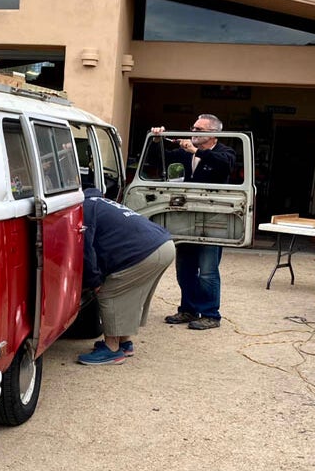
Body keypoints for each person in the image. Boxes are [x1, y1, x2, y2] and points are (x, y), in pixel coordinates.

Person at [149, 114, 236, 330]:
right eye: (193, 128)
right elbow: (158, 160)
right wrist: (157, 140)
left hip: (212, 219)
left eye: (199, 130)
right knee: (184, 269)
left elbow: (224, 165)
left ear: (214, 134)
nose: (193, 132)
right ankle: (188, 309)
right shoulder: (183, 153)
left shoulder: (225, 152)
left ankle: (210, 314)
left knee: (207, 271)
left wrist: (196, 152)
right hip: (185, 218)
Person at [76, 180, 176, 365]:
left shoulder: (84, 208)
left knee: (110, 292)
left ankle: (112, 349)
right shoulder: (101, 202)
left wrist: (94, 281)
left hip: (146, 251)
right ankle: (124, 342)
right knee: (130, 294)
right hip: (163, 244)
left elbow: (86, 250)